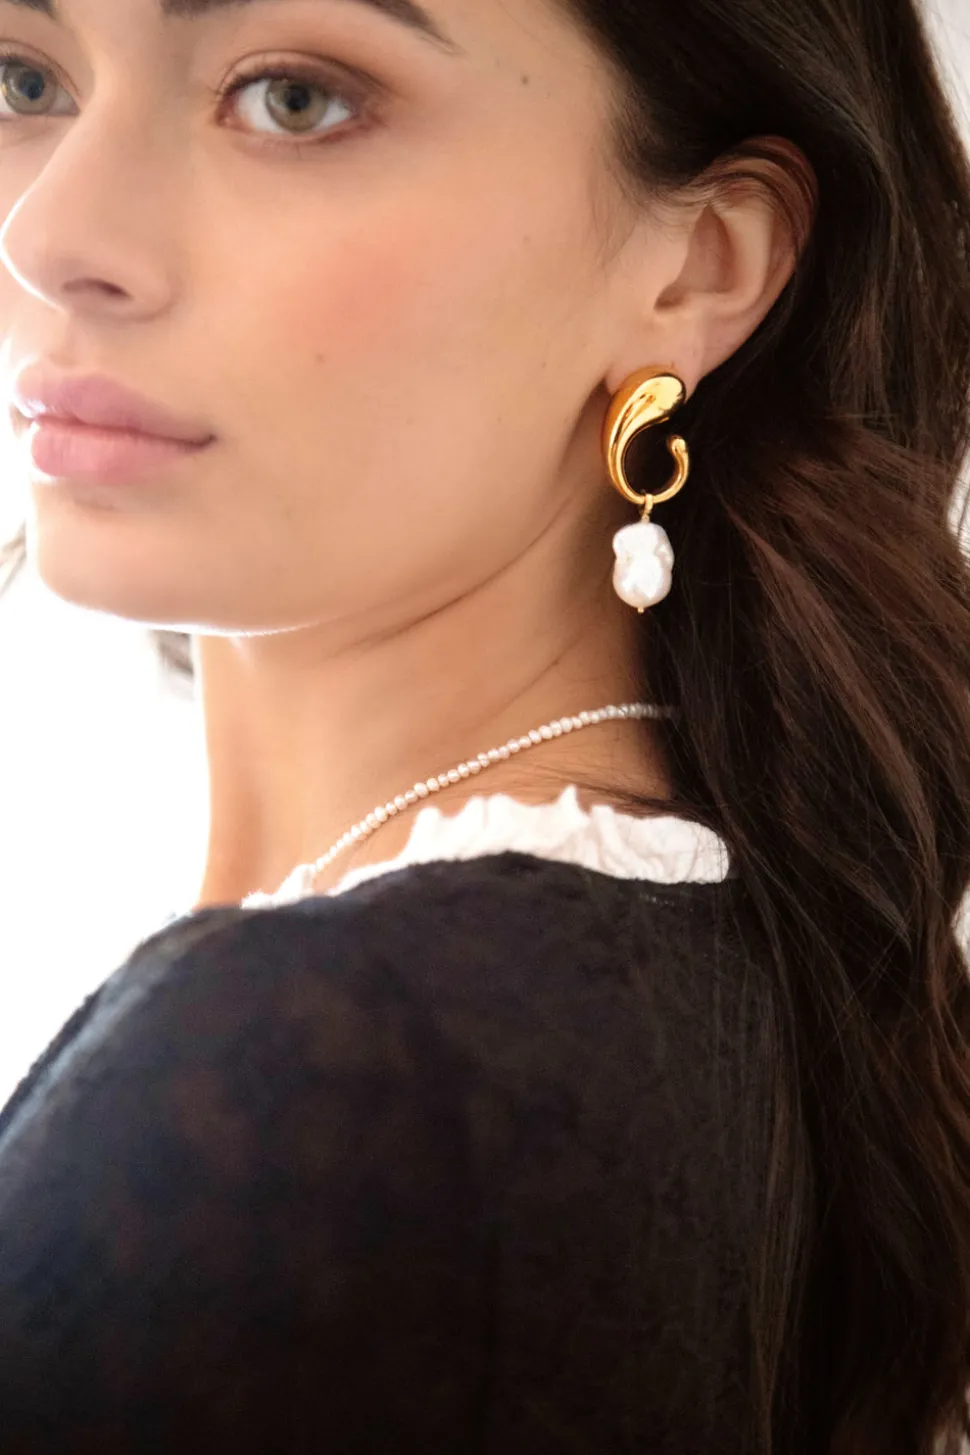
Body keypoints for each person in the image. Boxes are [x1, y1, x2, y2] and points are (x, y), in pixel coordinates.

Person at [0, 0, 969, 1450]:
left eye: (293, 98)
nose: (53, 232)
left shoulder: (337, 1077)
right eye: (23, 76)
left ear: (698, 264)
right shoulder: (710, 984)